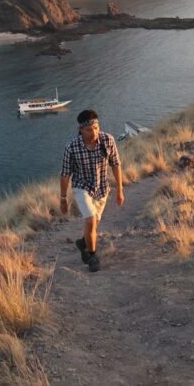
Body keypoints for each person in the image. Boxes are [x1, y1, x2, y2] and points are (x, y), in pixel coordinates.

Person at [60, 109, 124, 272]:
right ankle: (91, 256)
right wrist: (63, 199)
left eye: (96, 127)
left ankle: (83, 242)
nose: (94, 132)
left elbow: (116, 164)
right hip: (82, 187)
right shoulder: (72, 148)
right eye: (89, 129)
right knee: (90, 220)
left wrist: (120, 190)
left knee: (93, 226)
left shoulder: (108, 140)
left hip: (102, 188)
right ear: (81, 130)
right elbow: (65, 174)